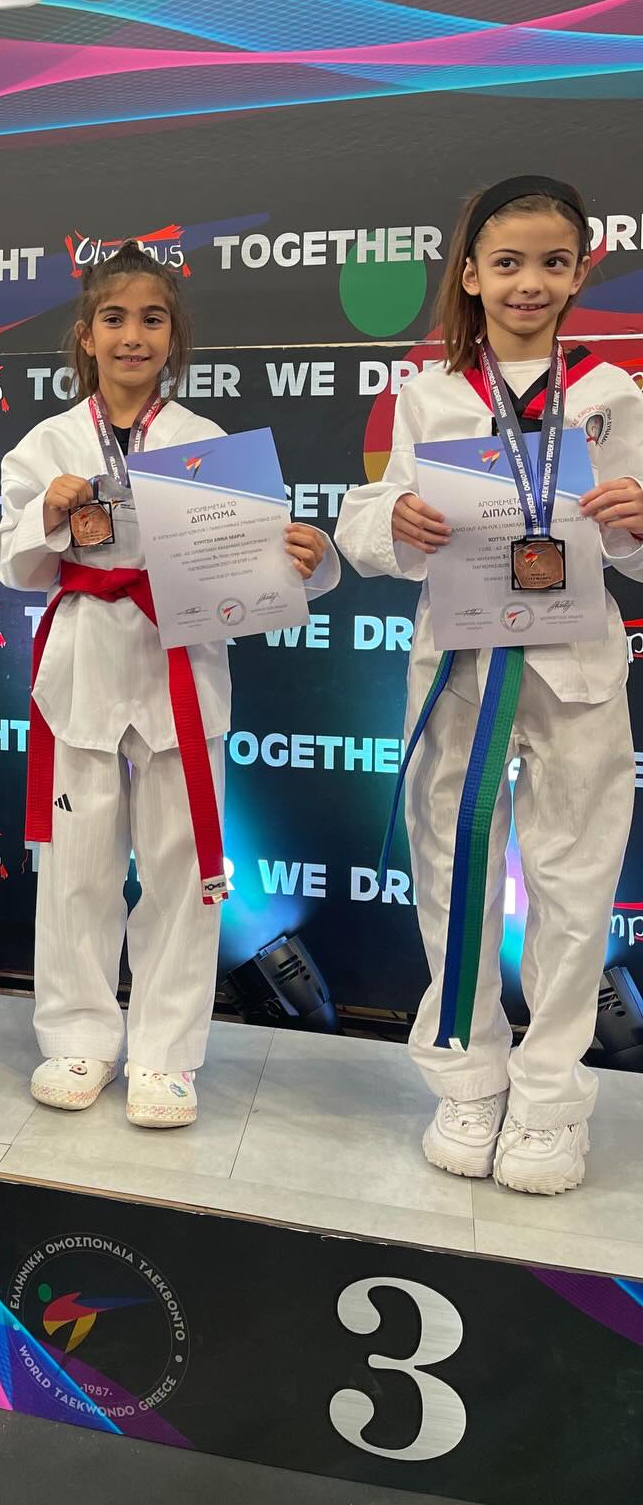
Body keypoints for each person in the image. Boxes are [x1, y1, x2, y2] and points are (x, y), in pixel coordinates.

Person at [337, 175, 643, 1194]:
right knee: (453, 871)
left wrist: (638, 518)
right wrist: (396, 523)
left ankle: (550, 1099)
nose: (529, 283)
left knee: (574, 884)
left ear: (580, 272)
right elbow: (369, 517)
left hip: (576, 666)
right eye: (507, 263)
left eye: (553, 262)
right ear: (469, 275)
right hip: (463, 665)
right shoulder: (429, 394)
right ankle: (468, 1079)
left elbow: (635, 547)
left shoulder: (611, 393)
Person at [0, 242, 338, 1127]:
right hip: (83, 665)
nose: (132, 335)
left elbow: (249, 570)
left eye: (151, 319)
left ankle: (166, 1054)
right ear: (86, 335)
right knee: (76, 868)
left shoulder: (205, 444)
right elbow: (12, 561)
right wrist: (49, 513)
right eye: (114, 318)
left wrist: (300, 559)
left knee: (184, 870)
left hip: (180, 666)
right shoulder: (48, 443)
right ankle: (77, 1035)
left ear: (173, 336)